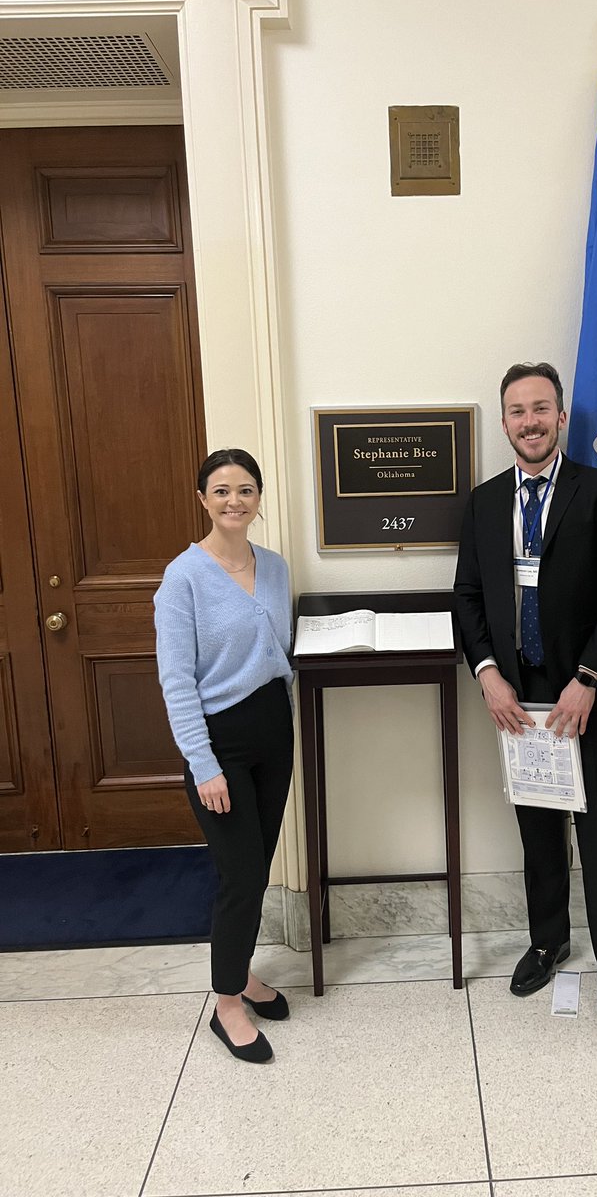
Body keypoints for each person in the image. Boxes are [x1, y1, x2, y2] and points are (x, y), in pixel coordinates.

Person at [454, 362, 597, 1023]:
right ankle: (548, 941)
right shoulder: (482, 502)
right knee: (536, 829)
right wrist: (487, 674)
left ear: (561, 418)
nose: (529, 421)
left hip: (584, 694)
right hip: (516, 696)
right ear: (504, 421)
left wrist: (588, 678)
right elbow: (468, 596)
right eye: (517, 411)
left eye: (541, 409)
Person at [155, 448, 295, 1064]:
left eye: (245, 489)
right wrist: (204, 763)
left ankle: (240, 973)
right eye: (221, 490)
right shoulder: (182, 577)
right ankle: (226, 1003)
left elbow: (280, 652)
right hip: (221, 742)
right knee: (239, 876)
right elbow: (177, 681)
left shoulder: (277, 567)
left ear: (259, 498)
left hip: (274, 730)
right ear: (202, 500)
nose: (234, 500)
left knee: (257, 866)